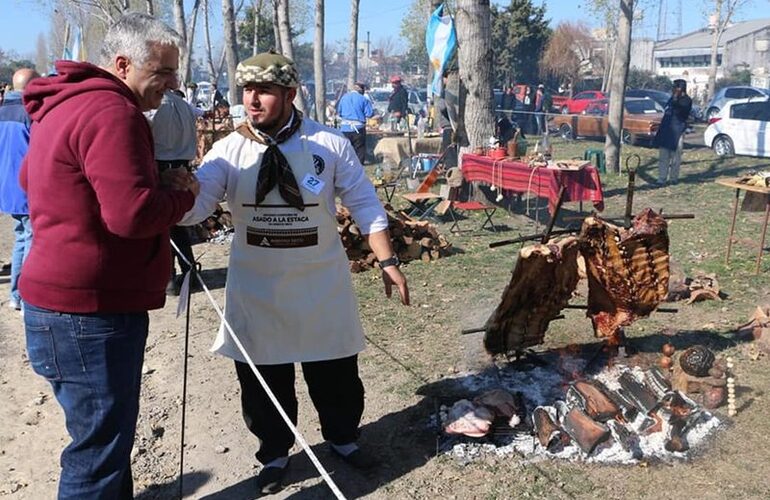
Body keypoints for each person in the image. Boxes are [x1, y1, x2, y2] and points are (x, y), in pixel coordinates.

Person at [179, 52, 410, 495]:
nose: (252, 100)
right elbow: (198, 206)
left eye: (263, 90)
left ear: (289, 94)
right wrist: (171, 192)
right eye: (246, 90)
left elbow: (364, 203)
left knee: (336, 369)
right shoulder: (229, 150)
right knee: (263, 377)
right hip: (256, 286)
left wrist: (388, 261)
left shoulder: (329, 143)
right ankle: (275, 453)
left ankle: (343, 440)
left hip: (320, 281)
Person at [19, 13, 198, 499]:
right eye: (163, 73)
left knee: (104, 445)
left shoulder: (65, 105)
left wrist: (149, 185)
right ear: (122, 64)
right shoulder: (112, 113)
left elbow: (35, 183)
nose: (173, 84)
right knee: (97, 456)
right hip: (89, 313)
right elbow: (132, 217)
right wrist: (181, 197)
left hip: (59, 306)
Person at [146, 90, 205, 295]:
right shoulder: (183, 105)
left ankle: (170, 276)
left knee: (165, 224)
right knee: (177, 224)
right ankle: (188, 272)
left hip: (162, 167)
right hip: (182, 164)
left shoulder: (155, 105)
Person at [0, 68, 38, 311]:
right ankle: (24, 295)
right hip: (27, 188)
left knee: (21, 238)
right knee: (30, 239)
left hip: (7, 188)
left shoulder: (2, 112)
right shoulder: (31, 114)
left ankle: (16, 294)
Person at [653, 79, 692, 185]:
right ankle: (662, 178)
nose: (673, 90)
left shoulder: (686, 100)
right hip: (666, 130)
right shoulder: (671, 99)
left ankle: (673, 178)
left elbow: (682, 112)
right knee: (663, 156)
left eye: (675, 87)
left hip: (677, 131)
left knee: (675, 157)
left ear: (681, 88)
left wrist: (675, 98)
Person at [336, 81, 374, 164]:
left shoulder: (344, 98)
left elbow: (339, 112)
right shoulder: (363, 99)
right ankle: (359, 166)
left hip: (345, 128)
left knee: (346, 148)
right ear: (362, 90)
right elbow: (369, 113)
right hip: (358, 128)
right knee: (359, 149)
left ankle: (345, 164)